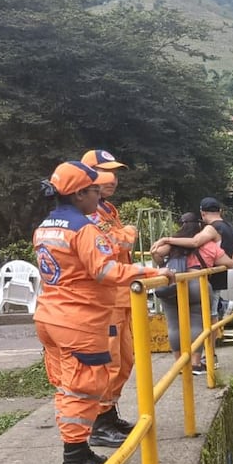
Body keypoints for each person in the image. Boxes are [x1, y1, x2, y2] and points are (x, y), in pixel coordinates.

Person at [33, 161, 173, 464]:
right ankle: (75, 459)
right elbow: (106, 272)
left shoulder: (45, 226)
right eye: (95, 190)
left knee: (67, 387)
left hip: (50, 316)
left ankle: (78, 452)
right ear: (80, 193)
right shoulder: (83, 229)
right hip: (78, 320)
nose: (99, 195)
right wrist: (153, 273)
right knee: (82, 389)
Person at [81, 149, 138, 447]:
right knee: (110, 362)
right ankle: (99, 424)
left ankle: (110, 413)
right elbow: (118, 242)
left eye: (115, 172)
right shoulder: (87, 213)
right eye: (105, 172)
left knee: (126, 360)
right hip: (105, 300)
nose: (113, 179)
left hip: (122, 296)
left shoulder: (108, 209)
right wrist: (128, 232)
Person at [150, 213, 233, 374]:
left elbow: (156, 253)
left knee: (174, 325)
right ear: (200, 226)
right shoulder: (208, 245)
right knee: (197, 323)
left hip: (173, 283)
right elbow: (230, 264)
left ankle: (179, 364)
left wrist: (163, 262)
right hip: (197, 283)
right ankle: (195, 363)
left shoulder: (174, 243)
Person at [158, 197, 233, 318]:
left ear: (202, 212)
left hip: (209, 277)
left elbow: (195, 242)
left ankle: (210, 337)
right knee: (212, 314)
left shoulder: (212, 228)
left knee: (209, 316)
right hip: (221, 275)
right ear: (220, 211)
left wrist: (168, 239)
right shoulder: (229, 227)